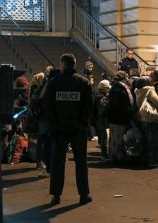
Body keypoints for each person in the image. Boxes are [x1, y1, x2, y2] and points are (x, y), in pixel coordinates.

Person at [44, 53, 93, 206]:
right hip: (78, 128)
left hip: (59, 128)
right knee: (81, 162)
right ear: (74, 64)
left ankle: (56, 195)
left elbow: (48, 106)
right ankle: (83, 194)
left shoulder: (54, 83)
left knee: (57, 162)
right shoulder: (83, 82)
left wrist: (54, 124)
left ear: (63, 64)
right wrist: (82, 123)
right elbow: (88, 107)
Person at [107, 70, 135, 163]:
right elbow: (124, 104)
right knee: (118, 137)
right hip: (119, 117)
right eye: (125, 76)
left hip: (114, 117)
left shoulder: (114, 87)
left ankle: (113, 155)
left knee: (115, 137)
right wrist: (129, 114)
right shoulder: (120, 88)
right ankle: (118, 156)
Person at [134, 76, 158, 166]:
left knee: (145, 140)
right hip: (151, 118)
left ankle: (145, 159)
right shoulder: (150, 90)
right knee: (153, 141)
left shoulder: (137, 91)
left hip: (142, 117)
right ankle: (152, 161)